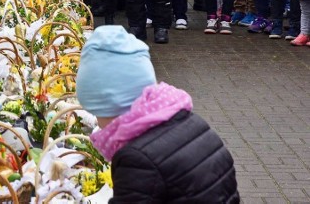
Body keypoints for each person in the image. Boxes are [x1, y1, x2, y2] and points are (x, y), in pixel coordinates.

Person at [76, 26, 239, 202]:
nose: (98, 124)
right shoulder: (190, 123)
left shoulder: (137, 158)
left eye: (98, 113)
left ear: (114, 104)